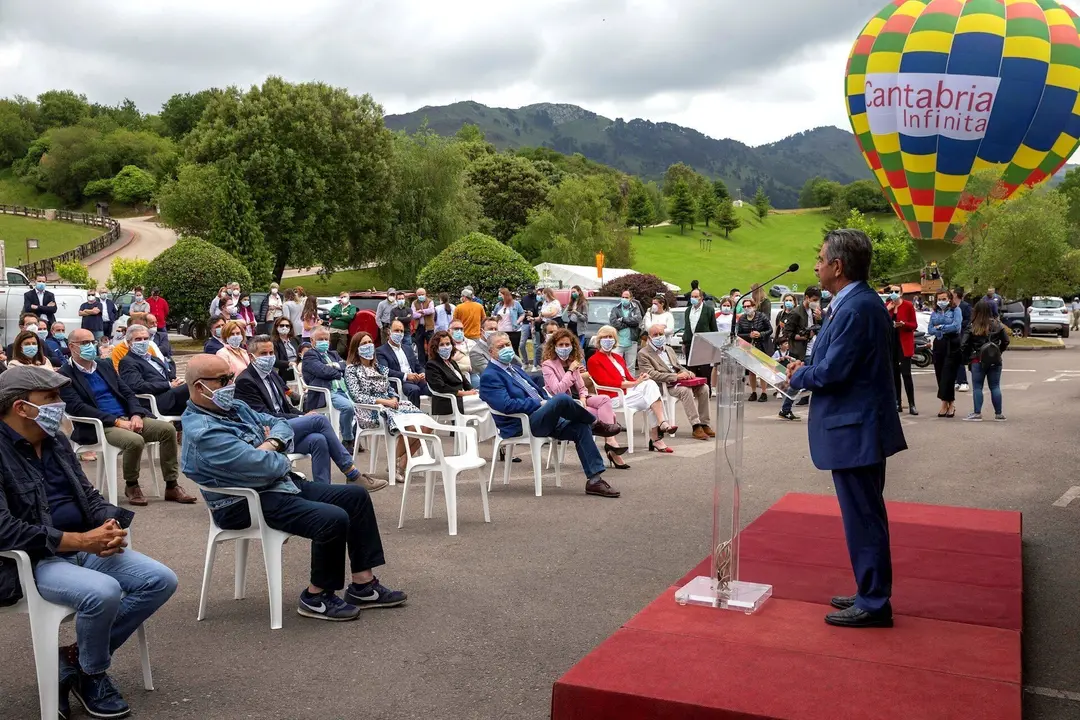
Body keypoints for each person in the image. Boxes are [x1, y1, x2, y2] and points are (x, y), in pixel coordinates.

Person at [0, 365, 178, 719]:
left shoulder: (55, 441)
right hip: (34, 561)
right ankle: (93, 673)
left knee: (160, 580)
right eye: (50, 398)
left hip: (83, 547)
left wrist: (109, 525)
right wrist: (80, 540)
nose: (60, 404)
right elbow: (4, 529)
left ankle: (75, 660)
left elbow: (87, 495)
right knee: (103, 593)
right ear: (21, 407)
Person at [181, 353, 407, 622]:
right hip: (242, 504)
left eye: (231, 376)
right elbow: (268, 466)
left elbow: (279, 425)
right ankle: (316, 596)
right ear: (199, 386)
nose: (232, 383)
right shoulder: (203, 431)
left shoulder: (235, 407)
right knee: (332, 518)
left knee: (355, 496)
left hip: (275, 487)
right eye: (223, 380)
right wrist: (275, 452)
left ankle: (363, 586)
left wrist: (270, 444)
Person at [784, 228, 906, 628]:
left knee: (864, 516)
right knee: (863, 514)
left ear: (838, 266)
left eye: (820, 259)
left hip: (856, 428)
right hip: (856, 425)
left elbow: (834, 371)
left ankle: (874, 602)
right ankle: (869, 589)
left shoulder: (856, 308)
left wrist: (800, 375)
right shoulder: (853, 302)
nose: (816, 266)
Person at [60, 329, 196, 506]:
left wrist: (136, 414)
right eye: (85, 343)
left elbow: (127, 392)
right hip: (101, 425)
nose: (91, 346)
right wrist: (116, 421)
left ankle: (172, 485)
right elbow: (78, 408)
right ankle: (132, 485)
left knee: (167, 430)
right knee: (134, 440)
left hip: (127, 416)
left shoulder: (104, 365)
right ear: (72, 347)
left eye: (92, 342)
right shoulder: (65, 374)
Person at [479, 331, 622, 498]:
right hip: (523, 424)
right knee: (561, 399)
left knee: (580, 427)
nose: (506, 349)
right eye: (500, 347)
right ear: (491, 352)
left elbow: (539, 392)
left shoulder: (515, 369)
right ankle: (595, 424)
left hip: (543, 419)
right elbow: (506, 405)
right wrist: (541, 403)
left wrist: (545, 400)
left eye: (508, 345)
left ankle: (594, 481)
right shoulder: (490, 376)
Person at [235, 335, 385, 491]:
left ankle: (324, 491)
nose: (269, 357)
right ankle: (352, 473)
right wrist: (302, 417)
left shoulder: (272, 374)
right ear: (251, 357)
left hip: (284, 426)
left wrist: (302, 413)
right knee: (319, 420)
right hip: (267, 433)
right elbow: (264, 416)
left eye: (271, 353)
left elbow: (286, 407)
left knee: (318, 440)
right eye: (263, 354)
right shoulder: (246, 381)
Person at [344, 332, 427, 476]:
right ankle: (396, 464)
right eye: (364, 343)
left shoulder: (378, 367)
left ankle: (401, 464)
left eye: (370, 342)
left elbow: (389, 388)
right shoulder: (352, 370)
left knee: (425, 425)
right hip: (371, 410)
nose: (368, 345)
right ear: (356, 348)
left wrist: (394, 398)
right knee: (411, 426)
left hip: (390, 404)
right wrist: (384, 402)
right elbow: (357, 396)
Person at [541, 328, 625, 468]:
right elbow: (558, 390)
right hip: (565, 404)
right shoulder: (548, 365)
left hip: (580, 400)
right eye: (561, 345)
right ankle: (612, 448)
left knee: (604, 399)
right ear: (554, 346)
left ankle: (610, 442)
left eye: (567, 345)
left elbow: (582, 387)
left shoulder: (572, 361)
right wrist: (570, 371)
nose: (564, 348)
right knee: (610, 415)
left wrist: (584, 398)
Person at [588, 325, 676, 453]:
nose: (608, 340)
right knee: (652, 396)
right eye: (605, 337)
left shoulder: (618, 357)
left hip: (628, 393)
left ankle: (660, 426)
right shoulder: (593, 360)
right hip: (613, 397)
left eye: (611, 337)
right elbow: (606, 382)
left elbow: (629, 377)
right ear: (599, 340)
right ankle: (657, 437)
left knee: (650, 387)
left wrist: (640, 378)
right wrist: (634, 384)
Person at [637, 323, 714, 439]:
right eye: (655, 335)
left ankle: (704, 423)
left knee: (704, 388)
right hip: (663, 386)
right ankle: (696, 425)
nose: (659, 337)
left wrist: (688, 373)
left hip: (678, 381)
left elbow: (677, 366)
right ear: (649, 338)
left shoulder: (668, 349)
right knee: (685, 390)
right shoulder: (643, 354)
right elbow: (651, 374)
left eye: (661, 334)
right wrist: (676, 377)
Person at [425, 330, 496, 441]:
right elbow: (440, 387)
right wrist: (464, 393)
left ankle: (493, 436)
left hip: (462, 399)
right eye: (442, 345)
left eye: (448, 344)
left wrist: (472, 390)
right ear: (436, 347)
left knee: (489, 401)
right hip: (448, 402)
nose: (445, 347)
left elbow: (463, 381)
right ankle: (493, 437)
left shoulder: (451, 362)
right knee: (488, 402)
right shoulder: (432, 365)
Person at [118, 324, 190, 416]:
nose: (143, 342)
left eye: (145, 338)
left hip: (171, 395)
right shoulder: (127, 362)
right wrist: (169, 385)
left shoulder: (154, 358)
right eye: (138, 339)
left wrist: (176, 381)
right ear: (129, 343)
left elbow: (169, 376)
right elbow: (138, 386)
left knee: (198, 385)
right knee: (191, 388)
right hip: (155, 400)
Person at [302, 326, 357, 446]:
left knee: (360, 405)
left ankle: (354, 437)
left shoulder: (333, 354)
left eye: (326, 339)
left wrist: (335, 366)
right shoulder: (310, 355)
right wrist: (338, 370)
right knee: (347, 407)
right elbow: (323, 371)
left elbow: (347, 366)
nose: (324, 342)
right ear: (312, 340)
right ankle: (348, 440)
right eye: (321, 339)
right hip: (327, 392)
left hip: (344, 389)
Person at [960, 299, 1010, 422]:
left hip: (978, 359)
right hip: (994, 359)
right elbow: (1006, 341)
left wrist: (968, 357)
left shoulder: (973, 326)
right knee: (995, 386)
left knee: (977, 387)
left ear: (976, 311)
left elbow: (963, 344)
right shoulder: (998, 325)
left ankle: (977, 413)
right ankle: (999, 414)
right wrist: (999, 351)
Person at [375, 319, 429, 407]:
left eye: (401, 331)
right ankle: (414, 417)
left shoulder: (408, 348)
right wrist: (406, 376)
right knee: (414, 390)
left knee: (432, 388)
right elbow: (385, 370)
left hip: (416, 379)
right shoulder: (381, 351)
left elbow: (417, 365)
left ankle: (437, 416)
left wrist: (422, 373)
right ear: (389, 331)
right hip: (401, 382)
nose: (399, 333)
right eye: (396, 330)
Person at [928, 289, 962, 418]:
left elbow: (956, 327)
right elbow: (930, 329)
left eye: (944, 299)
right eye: (939, 299)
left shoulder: (955, 310)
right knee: (940, 374)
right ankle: (944, 403)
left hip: (952, 344)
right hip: (939, 344)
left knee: (948, 375)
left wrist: (941, 327)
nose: (941, 301)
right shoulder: (935, 312)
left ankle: (950, 403)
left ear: (949, 299)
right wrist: (939, 330)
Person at [886, 287, 918, 416]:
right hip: (891, 343)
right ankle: (897, 402)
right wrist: (887, 311)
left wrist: (903, 324)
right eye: (891, 292)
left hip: (903, 344)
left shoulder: (908, 305)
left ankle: (912, 404)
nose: (893, 294)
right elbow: (881, 323)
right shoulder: (886, 306)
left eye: (896, 291)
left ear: (901, 293)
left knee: (906, 374)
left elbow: (914, 325)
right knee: (894, 375)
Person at [737, 296, 774, 402]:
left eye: (748, 306)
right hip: (749, 347)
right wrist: (749, 335)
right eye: (744, 307)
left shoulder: (762, 316)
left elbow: (770, 330)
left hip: (762, 345)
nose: (747, 308)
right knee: (752, 371)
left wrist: (760, 334)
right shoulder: (742, 319)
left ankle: (764, 392)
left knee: (763, 370)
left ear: (753, 306)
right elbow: (739, 334)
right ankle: (753, 392)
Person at [683, 288, 718, 381]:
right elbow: (687, 328)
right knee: (691, 371)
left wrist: (714, 346)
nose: (693, 298)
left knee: (705, 372)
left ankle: (706, 392)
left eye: (696, 297)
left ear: (701, 298)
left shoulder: (709, 310)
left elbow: (714, 328)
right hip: (690, 345)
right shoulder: (688, 311)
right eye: (692, 297)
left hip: (704, 345)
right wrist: (684, 342)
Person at [607, 290, 642, 373]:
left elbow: (637, 320)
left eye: (626, 297)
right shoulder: (615, 309)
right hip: (618, 343)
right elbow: (614, 323)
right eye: (623, 297)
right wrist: (629, 324)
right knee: (616, 366)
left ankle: (631, 385)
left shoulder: (635, 308)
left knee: (631, 367)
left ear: (631, 298)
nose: (624, 299)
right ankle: (617, 384)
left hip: (631, 342)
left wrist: (623, 319)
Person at [772, 338, 799, 420]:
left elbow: (795, 360)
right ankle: (779, 392)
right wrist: (780, 358)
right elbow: (772, 359)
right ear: (780, 346)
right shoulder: (777, 352)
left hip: (788, 371)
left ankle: (786, 410)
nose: (787, 345)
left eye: (787, 343)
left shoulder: (789, 353)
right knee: (779, 381)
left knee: (787, 384)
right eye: (785, 344)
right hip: (779, 369)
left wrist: (790, 358)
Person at [449, 320, 480, 387]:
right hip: (454, 375)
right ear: (449, 331)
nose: (459, 331)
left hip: (473, 373)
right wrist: (466, 367)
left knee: (479, 383)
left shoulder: (472, 343)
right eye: (456, 329)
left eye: (461, 329)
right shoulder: (447, 345)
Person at [952, 287, 972, 393]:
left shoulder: (966, 306)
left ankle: (964, 381)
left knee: (960, 359)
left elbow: (970, 320)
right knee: (953, 359)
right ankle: (957, 381)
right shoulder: (952, 306)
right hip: (953, 335)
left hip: (962, 335)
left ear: (956, 294)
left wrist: (959, 324)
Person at [493, 287, 525, 352]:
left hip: (514, 331)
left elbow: (522, 314)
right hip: (501, 331)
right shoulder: (498, 305)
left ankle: (516, 362)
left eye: (500, 295)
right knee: (502, 350)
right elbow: (493, 315)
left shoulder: (515, 303)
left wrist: (517, 322)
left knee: (514, 351)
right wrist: (496, 318)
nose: (499, 296)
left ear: (505, 295)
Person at [410, 288, 435, 365]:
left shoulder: (430, 301)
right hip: (419, 328)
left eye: (422, 294)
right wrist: (422, 314)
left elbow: (431, 310)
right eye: (419, 295)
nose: (421, 296)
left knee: (431, 346)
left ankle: (431, 363)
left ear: (425, 294)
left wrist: (421, 311)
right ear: (416, 295)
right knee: (420, 347)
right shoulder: (414, 303)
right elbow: (413, 314)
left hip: (429, 327)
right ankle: (422, 364)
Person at [272, 316, 302, 381]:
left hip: (300, 368)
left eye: (287, 326)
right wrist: (289, 363)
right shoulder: (274, 343)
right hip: (287, 370)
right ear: (276, 327)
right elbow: (276, 361)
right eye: (281, 325)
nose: (284, 327)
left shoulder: (295, 339)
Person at [329, 292, 358, 357]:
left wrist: (336, 317)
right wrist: (342, 315)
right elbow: (331, 314)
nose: (343, 298)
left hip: (343, 331)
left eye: (345, 296)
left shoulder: (352, 307)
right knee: (332, 348)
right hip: (333, 330)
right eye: (342, 297)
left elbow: (350, 317)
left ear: (348, 298)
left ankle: (336, 358)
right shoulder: (336, 306)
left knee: (342, 349)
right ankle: (332, 360)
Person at [519, 286, 540, 366]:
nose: (530, 291)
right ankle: (526, 362)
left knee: (535, 344)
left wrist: (533, 315)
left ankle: (535, 364)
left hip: (535, 322)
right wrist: (525, 313)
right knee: (522, 344)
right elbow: (520, 310)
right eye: (528, 289)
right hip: (525, 322)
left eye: (531, 289)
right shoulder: (524, 299)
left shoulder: (537, 298)